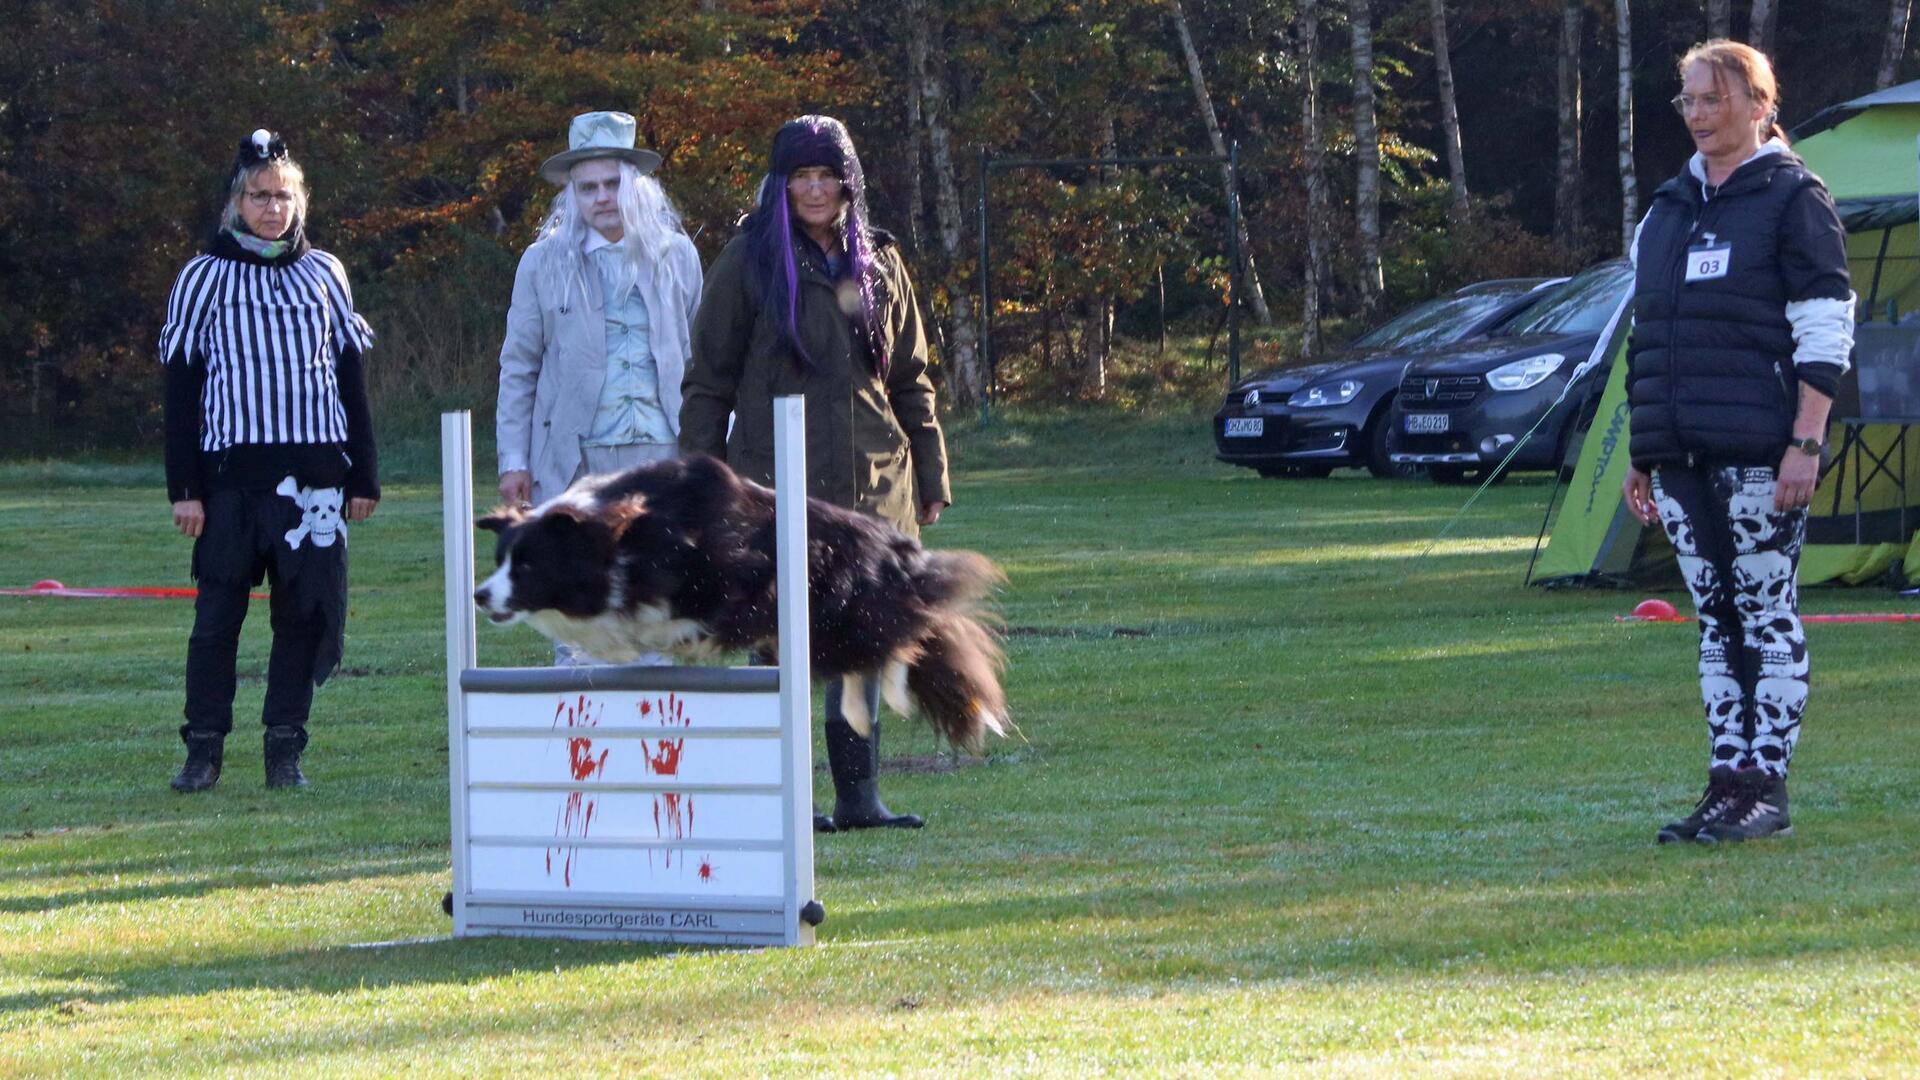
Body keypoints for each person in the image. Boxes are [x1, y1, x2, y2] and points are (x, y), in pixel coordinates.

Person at [682, 115, 951, 833]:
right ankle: (780, 806)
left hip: (874, 483)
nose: (813, 189)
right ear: (781, 183)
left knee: (864, 642)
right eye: (799, 176)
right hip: (773, 488)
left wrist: (930, 473)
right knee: (774, 645)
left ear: (847, 182)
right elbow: (708, 381)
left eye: (825, 175)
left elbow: (911, 377)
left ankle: (859, 800)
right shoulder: (747, 260)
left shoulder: (883, 262)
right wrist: (700, 484)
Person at [1622, 41, 1855, 844]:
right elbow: (1648, 334)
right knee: (1716, 620)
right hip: (1679, 453)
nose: (1696, 115)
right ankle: (1726, 781)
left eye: (1712, 99)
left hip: (1763, 449)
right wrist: (1641, 448)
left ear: (1759, 104)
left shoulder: (1795, 198)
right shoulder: (1665, 209)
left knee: (1765, 612)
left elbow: (1826, 323)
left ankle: (1768, 787)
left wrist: (1808, 440)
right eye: (1687, 100)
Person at [159, 129, 379, 792]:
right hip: (231, 482)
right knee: (217, 620)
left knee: (303, 618)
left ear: (300, 200)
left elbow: (350, 376)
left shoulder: (325, 273)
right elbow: (179, 386)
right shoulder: (203, 278)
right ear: (236, 202)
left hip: (314, 480)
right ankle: (203, 751)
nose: (272, 207)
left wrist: (363, 474)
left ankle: (285, 750)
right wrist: (185, 488)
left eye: (282, 195)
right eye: (259, 196)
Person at [496, 111, 701, 509]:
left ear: (637, 187)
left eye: (613, 184)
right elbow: (519, 368)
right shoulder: (542, 263)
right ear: (573, 196)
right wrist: (514, 462)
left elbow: (702, 362)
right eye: (588, 188)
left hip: (664, 452)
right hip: (573, 460)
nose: (602, 197)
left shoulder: (677, 256)